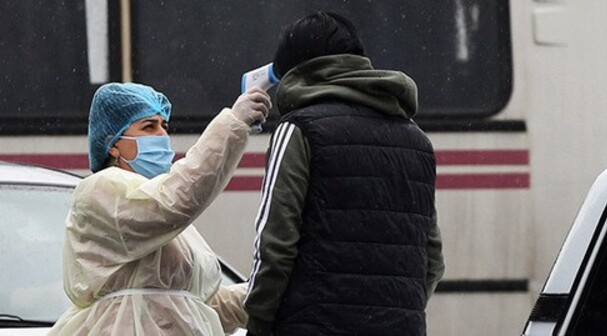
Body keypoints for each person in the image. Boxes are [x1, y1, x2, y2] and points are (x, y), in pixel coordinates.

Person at [243, 11, 445, 336]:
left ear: (294, 70)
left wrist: (258, 323)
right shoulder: (415, 139)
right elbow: (432, 260)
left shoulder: (297, 129)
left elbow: (274, 248)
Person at [48, 82, 271, 335]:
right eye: (148, 127)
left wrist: (263, 294)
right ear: (113, 144)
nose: (162, 135)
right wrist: (232, 125)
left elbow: (193, 301)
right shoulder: (101, 189)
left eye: (164, 126)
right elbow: (177, 200)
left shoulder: (162, 209)